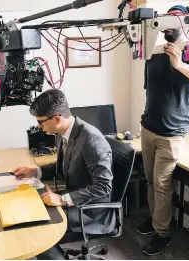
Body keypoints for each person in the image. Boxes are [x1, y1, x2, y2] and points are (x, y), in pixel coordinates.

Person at [137, 4, 189, 256]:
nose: (171, 24)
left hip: (172, 134)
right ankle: (154, 218)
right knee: (150, 180)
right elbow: (150, 91)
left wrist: (179, 63)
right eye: (167, 19)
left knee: (161, 184)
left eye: (176, 20)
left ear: (186, 24)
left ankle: (162, 233)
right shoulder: (155, 53)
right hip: (148, 129)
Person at [13, 89, 116, 260]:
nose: (39, 127)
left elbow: (103, 186)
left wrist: (62, 199)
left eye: (40, 122)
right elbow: (62, 166)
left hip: (92, 210)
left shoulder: (91, 140)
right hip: (73, 197)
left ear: (57, 118)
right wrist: (35, 171)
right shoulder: (63, 132)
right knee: (31, 212)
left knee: (39, 229)